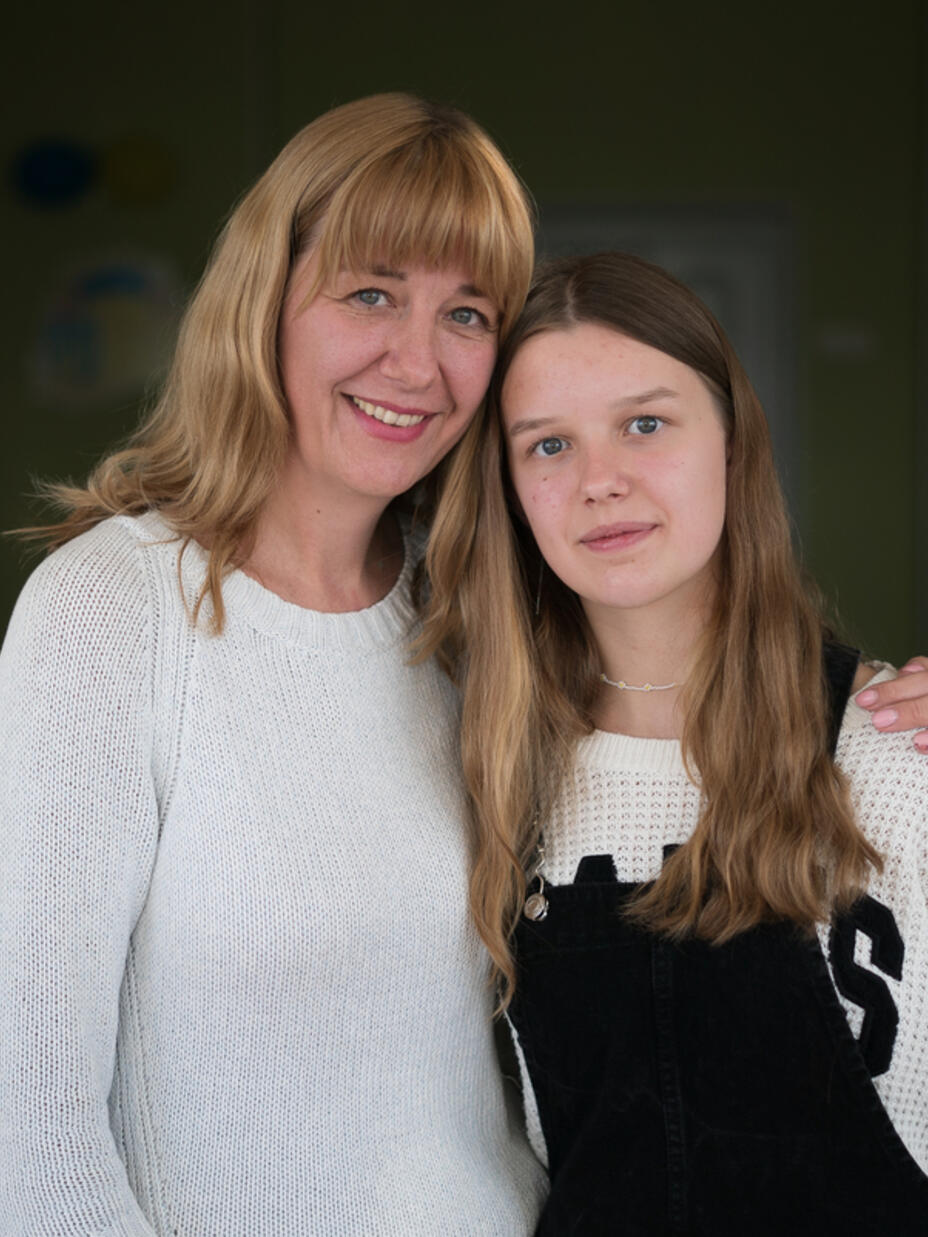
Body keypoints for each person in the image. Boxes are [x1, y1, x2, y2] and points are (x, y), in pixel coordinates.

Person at [0, 94, 548, 1235]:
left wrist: (874, 725)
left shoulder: (477, 619)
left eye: (467, 313)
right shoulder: (113, 610)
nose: (418, 361)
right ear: (266, 300)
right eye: (369, 293)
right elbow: (31, 1126)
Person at [420, 252, 928, 1234]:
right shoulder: (491, 776)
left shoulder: (894, 755)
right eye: (547, 445)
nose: (600, 481)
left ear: (732, 447)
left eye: (644, 425)